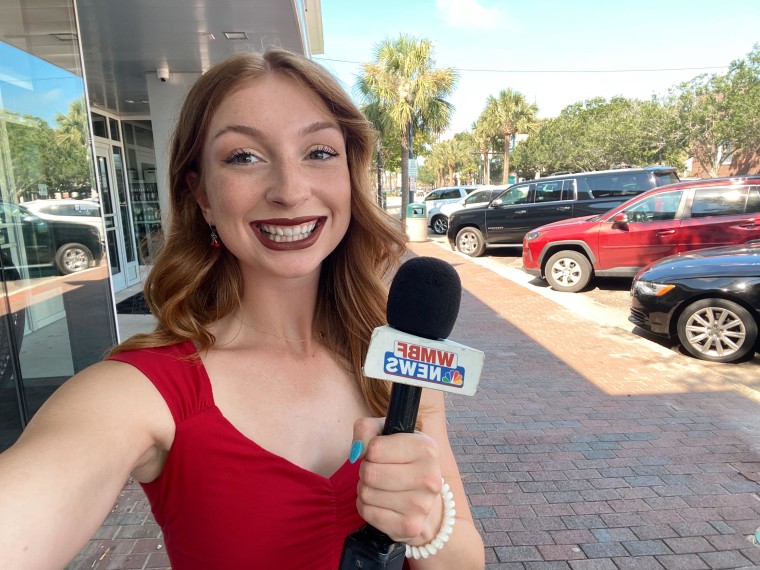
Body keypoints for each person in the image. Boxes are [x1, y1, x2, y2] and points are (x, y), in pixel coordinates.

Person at [0, 49, 485, 569]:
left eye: (319, 152)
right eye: (243, 157)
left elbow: (464, 561)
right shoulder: (144, 391)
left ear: (351, 173)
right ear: (202, 193)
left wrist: (429, 525)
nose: (290, 191)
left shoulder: (397, 365)